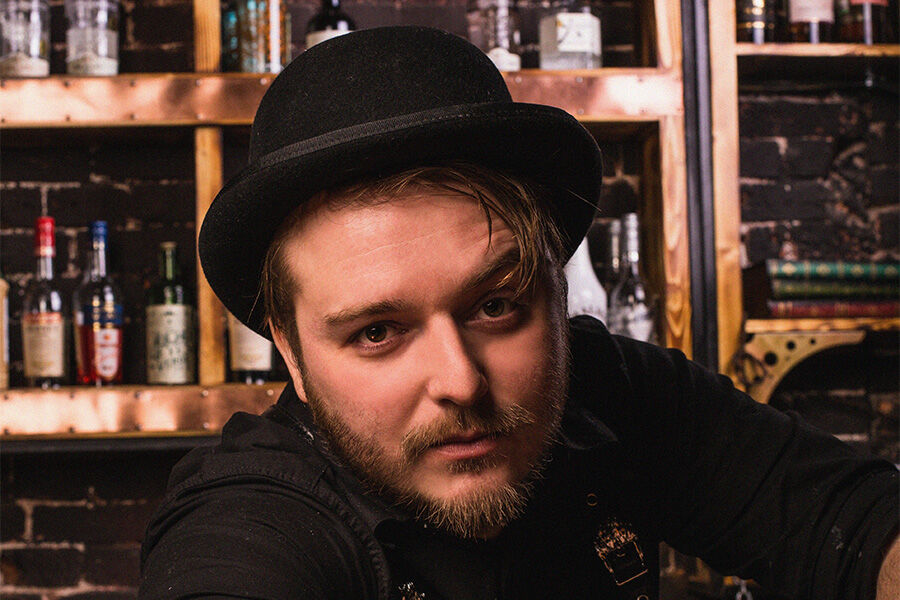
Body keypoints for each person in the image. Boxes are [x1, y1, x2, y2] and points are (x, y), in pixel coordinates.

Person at [139, 26, 898, 600]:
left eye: (496, 306)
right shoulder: (251, 524)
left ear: (558, 295)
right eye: (378, 332)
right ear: (293, 354)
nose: (460, 383)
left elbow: (860, 524)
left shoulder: (608, 391)